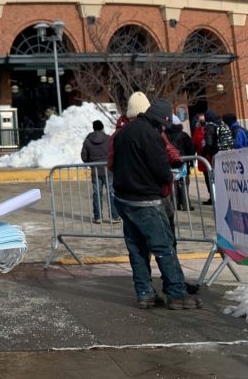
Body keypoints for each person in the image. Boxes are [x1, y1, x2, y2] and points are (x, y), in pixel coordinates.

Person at [112, 98, 201, 311]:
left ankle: (145, 293)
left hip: (124, 198)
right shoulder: (151, 135)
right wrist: (169, 176)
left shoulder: (122, 133)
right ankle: (176, 294)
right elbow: (161, 170)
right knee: (164, 247)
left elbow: (113, 163)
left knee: (137, 249)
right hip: (147, 200)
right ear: (161, 120)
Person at [81, 119, 118, 223]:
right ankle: (113, 216)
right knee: (111, 193)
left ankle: (98, 217)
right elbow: (114, 152)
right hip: (109, 170)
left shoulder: (88, 140)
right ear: (102, 128)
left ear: (93, 128)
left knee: (97, 193)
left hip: (95, 171)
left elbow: (84, 156)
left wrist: (91, 163)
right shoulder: (108, 139)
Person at [166, 116, 195, 211]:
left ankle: (174, 204)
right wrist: (190, 159)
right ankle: (186, 205)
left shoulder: (165, 135)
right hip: (183, 163)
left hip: (170, 164)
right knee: (184, 184)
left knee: (172, 184)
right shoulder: (184, 135)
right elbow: (191, 148)